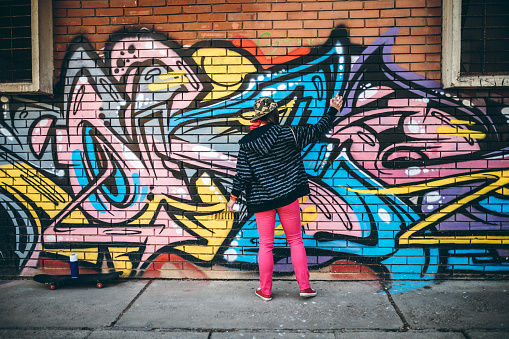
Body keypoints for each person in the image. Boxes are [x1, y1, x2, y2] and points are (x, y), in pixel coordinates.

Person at [227, 94, 344, 301]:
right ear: (275, 114)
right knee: (295, 240)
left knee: (265, 245)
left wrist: (233, 198)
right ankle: (305, 287)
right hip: (288, 196)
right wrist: (333, 110)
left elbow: (243, 174)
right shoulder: (289, 133)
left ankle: (265, 291)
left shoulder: (246, 143)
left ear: (258, 117)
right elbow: (317, 130)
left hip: (262, 200)